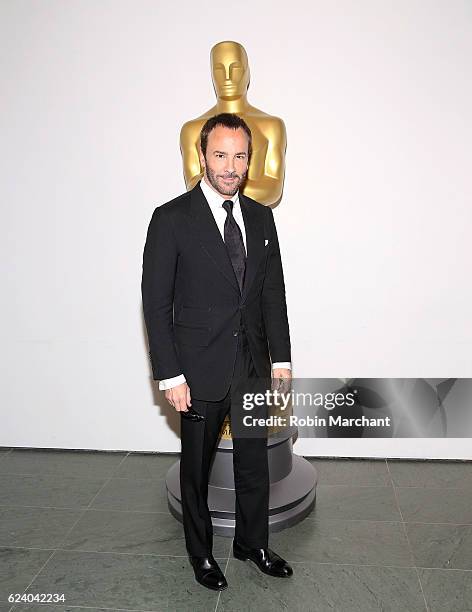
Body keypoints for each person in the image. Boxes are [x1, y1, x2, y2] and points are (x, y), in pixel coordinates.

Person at [141, 113, 293, 591]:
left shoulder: (262, 216)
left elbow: (272, 294)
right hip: (197, 369)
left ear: (250, 159)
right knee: (196, 470)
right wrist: (170, 374)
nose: (231, 167)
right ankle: (201, 553)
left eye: (240, 156)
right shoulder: (171, 219)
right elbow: (155, 301)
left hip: (250, 364)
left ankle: (253, 543)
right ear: (202, 157)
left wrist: (281, 359)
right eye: (221, 155)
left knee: (254, 464)